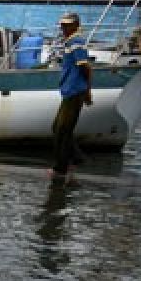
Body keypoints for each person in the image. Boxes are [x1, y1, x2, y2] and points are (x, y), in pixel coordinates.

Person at [50, 13, 93, 183]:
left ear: (76, 25)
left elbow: (85, 67)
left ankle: (61, 167)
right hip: (69, 90)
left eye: (67, 25)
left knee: (63, 130)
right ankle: (75, 158)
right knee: (59, 128)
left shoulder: (76, 42)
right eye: (62, 25)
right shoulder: (70, 41)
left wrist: (87, 91)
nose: (63, 28)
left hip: (75, 90)